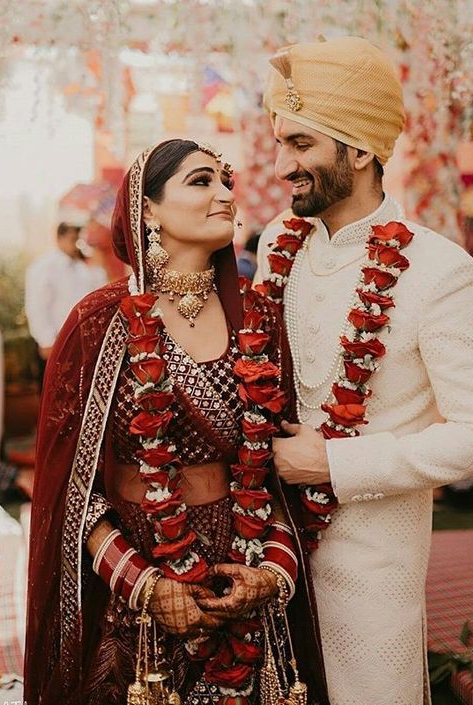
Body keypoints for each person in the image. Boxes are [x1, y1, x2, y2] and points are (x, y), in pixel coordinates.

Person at [24, 139, 328, 705]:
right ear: (146, 207)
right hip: (138, 572)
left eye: (225, 183)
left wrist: (270, 575)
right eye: (200, 181)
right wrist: (146, 585)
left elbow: (278, 468)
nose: (224, 196)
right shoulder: (99, 323)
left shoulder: (258, 320)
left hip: (243, 564)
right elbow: (72, 490)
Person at [255, 37, 473, 705]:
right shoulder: (274, 243)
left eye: (302, 145)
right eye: (280, 143)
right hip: (268, 557)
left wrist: (337, 465)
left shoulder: (439, 270)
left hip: (372, 575)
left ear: (360, 149)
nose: (283, 165)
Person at [25, 222, 107, 383]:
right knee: (52, 391)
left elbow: (97, 293)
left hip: (78, 341)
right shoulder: (44, 267)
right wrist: (46, 340)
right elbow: (37, 306)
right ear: (59, 238)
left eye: (78, 238)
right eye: (72, 239)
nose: (76, 244)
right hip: (53, 341)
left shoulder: (81, 268)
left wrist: (98, 266)